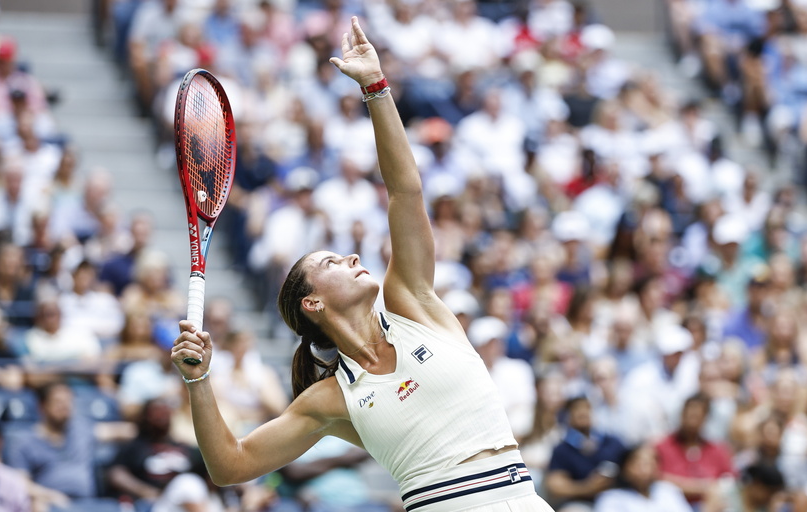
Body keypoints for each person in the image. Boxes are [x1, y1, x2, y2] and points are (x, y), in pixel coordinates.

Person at [171, 17, 553, 512]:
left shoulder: (414, 305)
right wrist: (198, 382)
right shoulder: (331, 400)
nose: (352, 256)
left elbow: (405, 192)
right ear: (313, 301)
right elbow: (231, 465)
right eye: (330, 261)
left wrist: (376, 87)